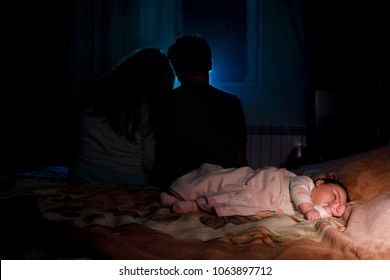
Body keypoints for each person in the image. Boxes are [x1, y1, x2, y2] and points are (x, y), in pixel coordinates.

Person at [152, 34, 248, 188]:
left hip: (175, 184)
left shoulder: (164, 103)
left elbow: (158, 154)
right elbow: (240, 156)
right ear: (210, 64)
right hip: (220, 185)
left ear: (176, 70)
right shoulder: (231, 102)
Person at [67, 48, 175, 185]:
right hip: (128, 179)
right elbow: (149, 162)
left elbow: (76, 137)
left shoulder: (93, 94)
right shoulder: (147, 107)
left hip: (83, 176)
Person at [160, 163, 348, 220]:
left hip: (260, 202)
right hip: (263, 185)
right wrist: (308, 209)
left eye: (338, 203)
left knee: (230, 202)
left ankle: (192, 205)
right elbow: (299, 192)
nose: (333, 202)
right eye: (334, 195)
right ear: (320, 183)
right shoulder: (304, 182)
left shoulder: (311, 209)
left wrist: (328, 211)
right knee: (223, 183)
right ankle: (180, 195)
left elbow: (314, 214)